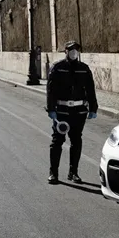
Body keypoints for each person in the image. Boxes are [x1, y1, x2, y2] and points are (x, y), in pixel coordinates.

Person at [46, 41, 98, 184]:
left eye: (76, 50)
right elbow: (50, 90)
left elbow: (90, 89)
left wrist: (93, 108)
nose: (74, 52)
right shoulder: (58, 68)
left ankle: (73, 172)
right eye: (71, 50)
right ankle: (53, 173)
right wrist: (51, 109)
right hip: (62, 111)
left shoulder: (84, 69)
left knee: (76, 140)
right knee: (57, 141)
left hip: (79, 111)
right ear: (66, 51)